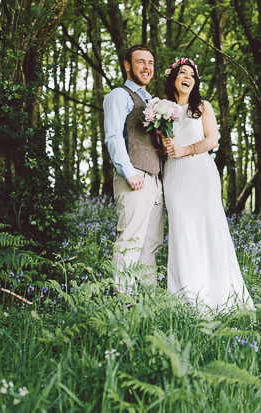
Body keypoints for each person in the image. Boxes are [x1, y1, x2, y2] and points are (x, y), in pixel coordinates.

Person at [161, 57, 254, 312]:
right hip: (174, 178)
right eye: (182, 72)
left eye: (191, 74)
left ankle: (220, 297)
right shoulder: (162, 109)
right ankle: (187, 299)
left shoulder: (203, 106)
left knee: (209, 230)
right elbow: (161, 145)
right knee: (182, 232)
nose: (187, 77)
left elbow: (212, 140)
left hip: (201, 174)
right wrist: (165, 145)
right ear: (174, 78)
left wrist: (185, 150)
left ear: (195, 81)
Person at [103, 45, 164, 293]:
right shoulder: (119, 95)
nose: (146, 67)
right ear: (127, 65)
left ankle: (148, 301)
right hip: (134, 177)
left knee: (151, 243)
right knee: (130, 241)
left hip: (155, 181)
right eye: (140, 62)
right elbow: (114, 136)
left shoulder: (153, 101)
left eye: (150, 63)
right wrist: (129, 172)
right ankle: (123, 302)